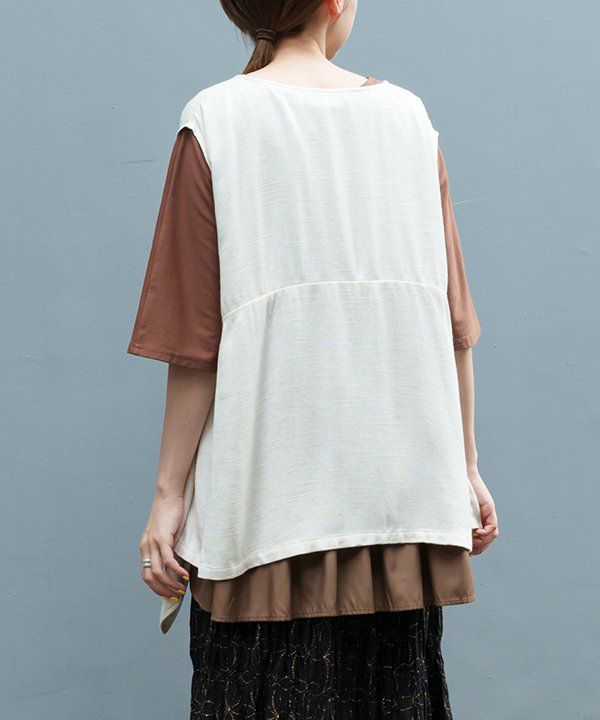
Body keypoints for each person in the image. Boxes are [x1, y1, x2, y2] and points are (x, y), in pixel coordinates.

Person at [127, 0, 499, 716]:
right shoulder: (408, 120)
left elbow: (195, 345)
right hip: (400, 521)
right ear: (333, 3)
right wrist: (466, 466)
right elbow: (450, 323)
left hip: (265, 516)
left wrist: (169, 496)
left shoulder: (215, 120)